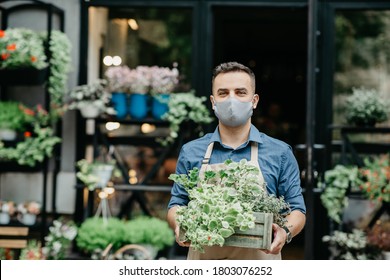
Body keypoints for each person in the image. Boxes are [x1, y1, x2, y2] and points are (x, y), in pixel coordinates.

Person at [167, 61, 306, 260]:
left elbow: (297, 210)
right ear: (213, 101)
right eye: (223, 93)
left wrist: (285, 232)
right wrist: (179, 223)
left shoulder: (280, 152)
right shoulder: (191, 151)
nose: (232, 100)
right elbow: (177, 203)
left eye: (241, 92)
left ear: (254, 100)